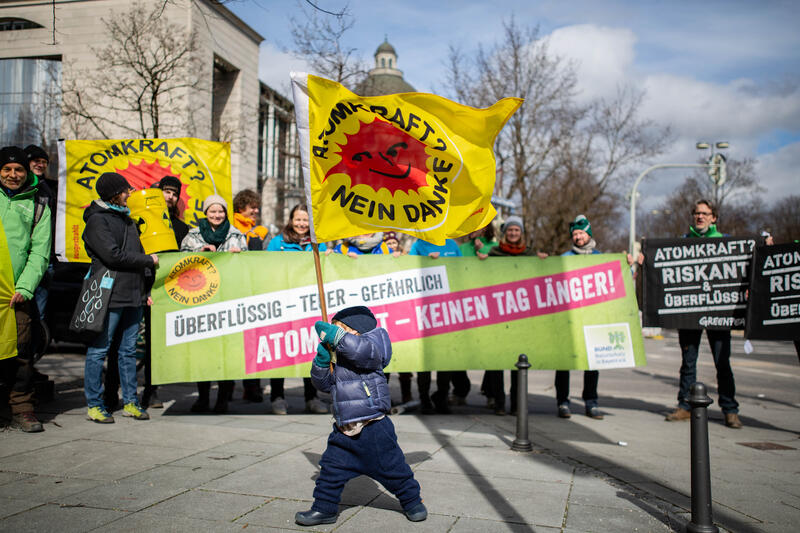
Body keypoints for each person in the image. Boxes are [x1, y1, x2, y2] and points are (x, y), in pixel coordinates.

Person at [295, 306, 427, 526]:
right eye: (336, 331)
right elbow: (324, 385)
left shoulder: (375, 340)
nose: (336, 336)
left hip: (373, 425)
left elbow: (364, 353)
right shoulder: (340, 355)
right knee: (330, 470)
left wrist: (338, 338)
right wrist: (321, 362)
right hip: (345, 428)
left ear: (355, 330)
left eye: (341, 330)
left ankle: (413, 501)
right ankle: (324, 509)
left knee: (394, 470)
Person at [82, 172, 156, 423]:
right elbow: (113, 256)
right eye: (127, 190)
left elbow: (137, 253)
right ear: (116, 193)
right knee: (99, 350)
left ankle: (131, 403)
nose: (130, 193)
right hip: (108, 294)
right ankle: (94, 404)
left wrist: (146, 290)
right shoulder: (97, 221)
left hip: (134, 294)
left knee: (128, 351)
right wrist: (148, 261)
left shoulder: (128, 220)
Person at [665, 199, 742, 428]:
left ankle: (730, 409)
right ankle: (685, 405)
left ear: (714, 217)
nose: (700, 217)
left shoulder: (726, 242)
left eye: (705, 214)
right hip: (690, 313)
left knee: (722, 362)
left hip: (719, 313)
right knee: (688, 362)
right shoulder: (684, 243)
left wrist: (764, 244)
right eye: (697, 213)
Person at [0, 146, 52, 432]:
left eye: (18, 169)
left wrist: (26, 286)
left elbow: (40, 251)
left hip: (15, 293)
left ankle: (22, 407)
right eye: (6, 169)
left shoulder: (38, 203)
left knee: (21, 352)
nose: (13, 175)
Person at [181, 194, 246, 413]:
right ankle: (203, 397)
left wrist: (238, 257)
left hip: (229, 299)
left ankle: (223, 398)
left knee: (226, 352)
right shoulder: (193, 236)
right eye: (212, 211)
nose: (217, 215)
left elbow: (248, 267)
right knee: (204, 351)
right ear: (206, 213)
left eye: (220, 211)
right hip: (202, 300)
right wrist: (199, 253)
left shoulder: (237, 235)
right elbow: (180, 263)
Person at [266, 204, 328, 415]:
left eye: (305, 220)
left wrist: (331, 256)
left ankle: (311, 397)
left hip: (310, 306)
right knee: (281, 350)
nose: (302, 224)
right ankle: (277, 397)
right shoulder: (278, 243)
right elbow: (265, 269)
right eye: (298, 219)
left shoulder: (317, 243)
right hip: (284, 304)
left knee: (311, 351)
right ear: (291, 220)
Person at [482, 216, 546, 415]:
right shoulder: (494, 253)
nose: (512, 233)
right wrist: (481, 262)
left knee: (519, 363)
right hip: (497, 315)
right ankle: (499, 402)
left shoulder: (529, 254)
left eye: (516, 231)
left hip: (521, 317)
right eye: (510, 230)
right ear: (505, 233)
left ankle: (517, 404)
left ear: (521, 233)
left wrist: (542, 261)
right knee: (497, 363)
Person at [556, 215, 603, 419]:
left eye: (581, 233)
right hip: (569, 320)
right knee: (564, 363)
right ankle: (562, 402)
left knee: (592, 363)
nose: (578, 237)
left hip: (592, 319)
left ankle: (591, 402)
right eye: (575, 234)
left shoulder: (600, 258)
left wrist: (627, 264)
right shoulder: (565, 258)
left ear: (588, 234)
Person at [409, 237, 462, 414]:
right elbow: (406, 268)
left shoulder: (452, 245)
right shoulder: (418, 245)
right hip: (425, 308)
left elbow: (465, 269)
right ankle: (424, 398)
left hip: (448, 309)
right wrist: (424, 263)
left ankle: (442, 397)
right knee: (426, 359)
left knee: (445, 358)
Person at [232, 188, 269, 403]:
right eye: (251, 207)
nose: (256, 210)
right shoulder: (231, 229)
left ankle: (252, 386)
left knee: (253, 341)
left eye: (257, 207)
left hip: (254, 290)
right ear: (240, 208)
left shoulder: (261, 232)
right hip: (235, 290)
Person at [154, 175, 190, 246]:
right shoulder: (145, 219)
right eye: (167, 192)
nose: (170, 197)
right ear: (159, 193)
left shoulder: (182, 228)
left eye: (175, 195)